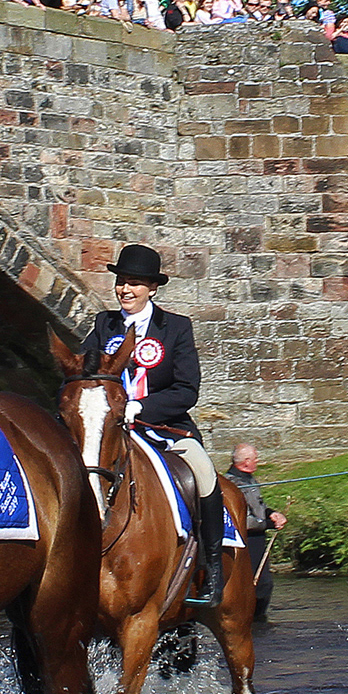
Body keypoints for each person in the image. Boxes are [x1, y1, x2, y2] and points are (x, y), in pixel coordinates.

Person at [76, 244, 224, 606]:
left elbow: (187, 389)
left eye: (135, 284)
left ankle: (211, 567)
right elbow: (84, 371)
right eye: (122, 282)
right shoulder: (103, 324)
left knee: (204, 474)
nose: (126, 290)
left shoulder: (176, 328)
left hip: (163, 429)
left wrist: (139, 407)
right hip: (111, 430)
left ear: (152, 288)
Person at [227, 443, 286, 620]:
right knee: (256, 584)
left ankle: (259, 618)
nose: (258, 461)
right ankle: (253, 621)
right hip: (245, 541)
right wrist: (268, 524)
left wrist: (272, 513)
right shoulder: (232, 484)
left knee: (264, 584)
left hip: (258, 539)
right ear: (246, 462)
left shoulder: (249, 479)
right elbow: (242, 520)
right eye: (255, 458)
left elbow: (257, 506)